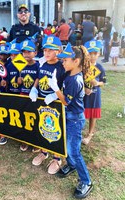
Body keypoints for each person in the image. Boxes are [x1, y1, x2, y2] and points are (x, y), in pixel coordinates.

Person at [45, 43, 93, 199]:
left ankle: (86, 181)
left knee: (74, 151)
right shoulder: (69, 74)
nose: (63, 63)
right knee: (67, 145)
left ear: (76, 61)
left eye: (65, 60)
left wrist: (56, 90)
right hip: (69, 116)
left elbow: (66, 101)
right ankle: (72, 165)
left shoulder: (75, 80)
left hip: (75, 120)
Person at [29, 35, 65, 174]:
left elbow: (63, 87)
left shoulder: (61, 66)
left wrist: (54, 95)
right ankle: (44, 152)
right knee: (42, 127)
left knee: (54, 128)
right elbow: (38, 77)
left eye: (51, 50)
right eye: (45, 50)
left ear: (58, 51)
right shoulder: (42, 62)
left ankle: (57, 157)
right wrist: (34, 88)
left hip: (54, 102)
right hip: (41, 100)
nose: (47, 53)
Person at [17, 39, 40, 152]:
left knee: (34, 117)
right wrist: (19, 80)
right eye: (24, 52)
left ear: (35, 53)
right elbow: (18, 80)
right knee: (23, 116)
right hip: (23, 94)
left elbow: (38, 78)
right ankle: (25, 140)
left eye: (29, 52)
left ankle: (35, 141)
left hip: (34, 97)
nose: (26, 54)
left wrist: (34, 89)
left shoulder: (38, 65)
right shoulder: (20, 64)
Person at [82, 40, 106, 145]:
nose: (92, 56)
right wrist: (84, 88)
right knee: (81, 113)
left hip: (95, 95)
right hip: (83, 95)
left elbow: (104, 82)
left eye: (95, 53)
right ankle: (79, 131)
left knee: (93, 115)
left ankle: (90, 133)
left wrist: (97, 83)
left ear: (99, 54)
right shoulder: (83, 67)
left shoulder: (100, 67)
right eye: (90, 53)